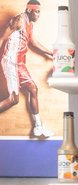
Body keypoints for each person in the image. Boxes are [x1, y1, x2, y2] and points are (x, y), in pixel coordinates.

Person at [0, 0, 52, 137]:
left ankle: (38, 127)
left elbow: (33, 42)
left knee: (33, 89)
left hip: (20, 63)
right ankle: (38, 127)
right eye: (37, 12)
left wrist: (50, 53)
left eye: (39, 12)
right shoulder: (18, 20)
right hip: (11, 62)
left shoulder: (30, 24)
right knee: (13, 100)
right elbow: (2, 38)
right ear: (29, 10)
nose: (39, 15)